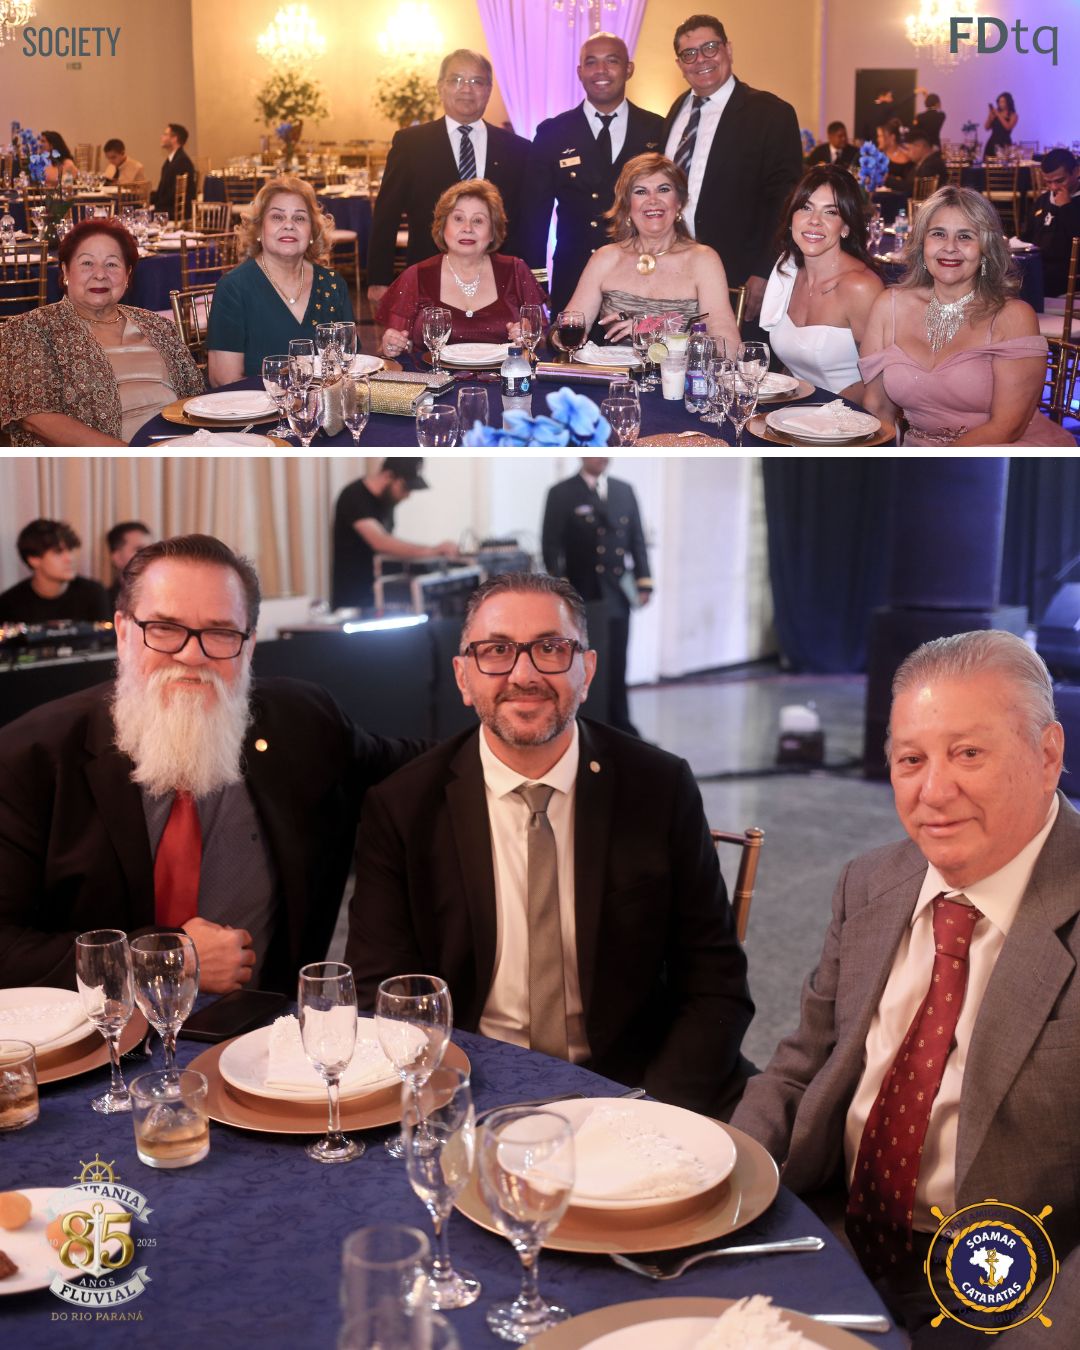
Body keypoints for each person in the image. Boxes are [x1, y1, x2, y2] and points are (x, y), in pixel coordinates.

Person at [731, 630, 1080, 1343]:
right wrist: (715, 1185)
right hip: (833, 1230)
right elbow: (800, 1068)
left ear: (1048, 754)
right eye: (911, 760)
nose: (934, 792)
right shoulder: (872, 882)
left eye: (969, 754)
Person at [345, 571, 753, 1116]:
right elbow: (386, 994)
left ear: (586, 670)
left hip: (631, 1086)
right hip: (470, 1087)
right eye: (496, 651)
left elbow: (715, 982)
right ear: (463, 678)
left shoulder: (658, 787)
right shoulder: (402, 807)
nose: (524, 673)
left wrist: (655, 1110)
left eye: (550, 648)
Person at [0, 534, 426, 993]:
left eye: (221, 632)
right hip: (95, 1049)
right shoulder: (32, 756)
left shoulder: (302, 721)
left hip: (260, 1043)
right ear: (122, 632)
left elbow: (423, 768)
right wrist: (164, 958)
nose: (191, 655)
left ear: (249, 644)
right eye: (163, 627)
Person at [859, 186, 1074, 446]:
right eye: (938, 234)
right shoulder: (888, 306)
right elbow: (877, 407)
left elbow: (1006, 428)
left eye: (965, 236)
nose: (950, 247)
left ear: (985, 249)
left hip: (999, 455)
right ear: (921, 244)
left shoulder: (1012, 316)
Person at [0, 218, 205, 447]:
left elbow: (196, 400)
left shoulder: (158, 325)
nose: (100, 274)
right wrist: (133, 456)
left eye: (112, 264)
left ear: (127, 274)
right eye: (87, 263)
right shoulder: (32, 329)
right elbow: (36, 418)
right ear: (66, 270)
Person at [661, 15, 802, 323]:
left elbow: (786, 203)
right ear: (680, 63)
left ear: (728, 50)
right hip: (671, 275)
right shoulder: (676, 111)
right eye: (690, 54)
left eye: (710, 47)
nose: (701, 60)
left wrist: (765, 271)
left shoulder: (771, 114)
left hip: (738, 277)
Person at [366, 49, 530, 306]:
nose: (466, 89)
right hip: (426, 278)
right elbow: (387, 214)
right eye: (456, 80)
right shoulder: (410, 144)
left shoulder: (518, 149)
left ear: (488, 89)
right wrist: (379, 278)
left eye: (476, 81)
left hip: (498, 283)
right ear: (440, 87)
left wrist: (528, 278)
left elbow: (525, 221)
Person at [521, 31, 665, 316]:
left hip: (643, 273)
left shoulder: (657, 129)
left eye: (612, 61)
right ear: (579, 72)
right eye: (591, 62)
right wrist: (536, 282)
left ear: (629, 68)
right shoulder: (553, 132)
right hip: (575, 275)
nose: (601, 71)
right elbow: (534, 214)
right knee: (572, 356)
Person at [558, 153, 741, 352]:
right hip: (615, 380)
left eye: (663, 189)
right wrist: (557, 338)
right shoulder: (605, 258)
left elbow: (728, 346)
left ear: (679, 202)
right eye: (641, 191)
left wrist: (655, 335)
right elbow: (568, 323)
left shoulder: (703, 260)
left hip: (678, 379)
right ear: (627, 205)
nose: (653, 200)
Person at [542, 459, 651, 738]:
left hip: (617, 592)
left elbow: (637, 539)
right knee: (585, 663)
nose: (602, 459)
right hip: (582, 592)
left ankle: (622, 726)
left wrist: (644, 581)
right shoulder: (562, 492)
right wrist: (560, 588)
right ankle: (589, 727)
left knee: (618, 659)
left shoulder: (623, 490)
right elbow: (551, 544)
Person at [375, 179, 545, 359]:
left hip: (506, 383)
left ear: (493, 231)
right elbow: (393, 348)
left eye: (478, 220)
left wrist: (527, 337)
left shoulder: (516, 271)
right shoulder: (416, 276)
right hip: (432, 384)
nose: (467, 228)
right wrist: (394, 346)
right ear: (442, 226)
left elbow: (541, 340)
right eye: (458, 218)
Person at [206, 176, 352, 385]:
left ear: (312, 231)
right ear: (259, 230)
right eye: (277, 217)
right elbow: (224, 381)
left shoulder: (333, 284)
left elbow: (349, 366)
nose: (289, 225)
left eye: (300, 218)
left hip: (325, 413)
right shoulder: (234, 288)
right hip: (255, 414)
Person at [760, 166, 883, 399]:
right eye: (806, 208)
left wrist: (822, 417)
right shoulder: (787, 272)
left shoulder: (860, 288)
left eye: (831, 212)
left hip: (851, 419)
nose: (814, 221)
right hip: (795, 416)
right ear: (791, 218)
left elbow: (881, 383)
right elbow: (795, 364)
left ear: (846, 226)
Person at [331, 458, 462, 611]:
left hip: (379, 596)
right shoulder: (354, 496)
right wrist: (431, 551)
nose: (407, 495)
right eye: (405, 487)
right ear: (388, 476)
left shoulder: (387, 502)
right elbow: (381, 542)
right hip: (353, 600)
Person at [0, 519, 111, 626]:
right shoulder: (9, 603)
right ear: (34, 559)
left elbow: (106, 640)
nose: (69, 558)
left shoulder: (93, 592)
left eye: (70, 550)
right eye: (58, 552)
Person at [1023, 148, 1080, 297]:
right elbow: (1026, 237)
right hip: (1038, 272)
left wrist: (1066, 208)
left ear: (1076, 172)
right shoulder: (1042, 200)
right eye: (1048, 182)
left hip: (1069, 279)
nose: (1054, 187)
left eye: (1060, 180)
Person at [152, 122, 197, 218]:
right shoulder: (171, 160)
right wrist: (149, 200)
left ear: (174, 139)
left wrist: (155, 206)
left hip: (177, 212)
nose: (162, 137)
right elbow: (163, 190)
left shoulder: (182, 161)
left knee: (141, 216)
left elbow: (174, 194)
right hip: (168, 207)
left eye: (165, 134)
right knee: (139, 210)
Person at [106, 520, 153, 610]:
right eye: (140, 550)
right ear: (118, 558)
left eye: (152, 549)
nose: (150, 555)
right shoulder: (106, 601)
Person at [877, 119, 913, 192]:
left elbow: (909, 186)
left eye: (881, 136)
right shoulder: (878, 156)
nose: (878, 139)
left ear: (892, 137)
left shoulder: (907, 157)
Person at [983, 92, 1017, 158]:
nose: (1000, 104)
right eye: (999, 102)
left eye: (1003, 102)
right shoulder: (995, 113)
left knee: (1004, 164)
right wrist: (990, 116)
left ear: (1008, 102)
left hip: (1005, 143)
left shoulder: (1013, 115)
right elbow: (986, 127)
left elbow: (1008, 127)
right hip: (992, 142)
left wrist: (998, 114)